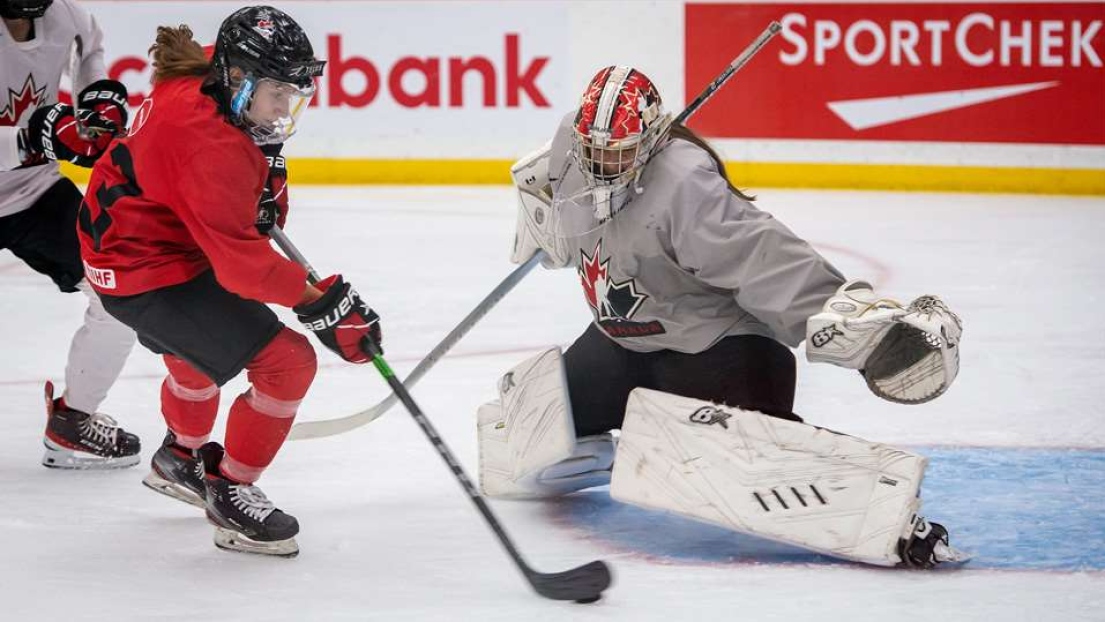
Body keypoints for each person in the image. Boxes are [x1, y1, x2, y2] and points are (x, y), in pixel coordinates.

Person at [476, 66, 968, 569]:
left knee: (747, 469)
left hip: (717, 349)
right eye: (594, 149)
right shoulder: (568, 153)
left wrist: (850, 323)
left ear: (648, 140)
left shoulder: (685, 186)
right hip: (621, 343)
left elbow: (761, 254)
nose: (603, 164)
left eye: (618, 152)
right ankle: (603, 453)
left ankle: (894, 519)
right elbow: (556, 203)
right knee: (516, 445)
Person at [76, 6, 382, 557]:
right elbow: (242, 266)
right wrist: (324, 305)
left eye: (292, 94)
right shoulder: (211, 145)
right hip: (146, 271)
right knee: (288, 363)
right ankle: (230, 491)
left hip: (130, 250)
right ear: (238, 78)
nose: (285, 108)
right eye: (277, 93)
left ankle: (180, 458)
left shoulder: (203, 83)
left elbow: (224, 206)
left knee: (197, 347)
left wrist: (263, 175)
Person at [1, 0, 140, 469]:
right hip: (30, 175)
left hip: (32, 192)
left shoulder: (69, 18)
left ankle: (73, 422)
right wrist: (36, 135)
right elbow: (42, 132)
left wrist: (100, 102)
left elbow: (91, 64)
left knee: (121, 293)